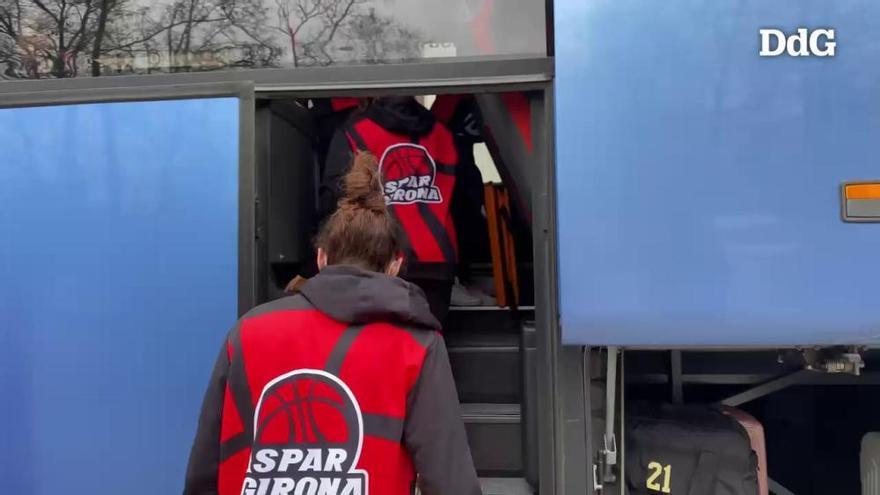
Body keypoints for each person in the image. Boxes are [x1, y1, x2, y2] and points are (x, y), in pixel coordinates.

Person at [184, 152, 481, 495]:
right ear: (395, 265)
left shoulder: (247, 331)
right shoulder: (416, 345)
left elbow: (203, 473)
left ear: (322, 257)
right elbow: (449, 480)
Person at [319, 96, 459, 325]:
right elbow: (463, 199)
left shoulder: (354, 131)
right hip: (437, 257)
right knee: (426, 345)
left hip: (378, 254)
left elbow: (333, 198)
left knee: (379, 346)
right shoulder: (441, 131)